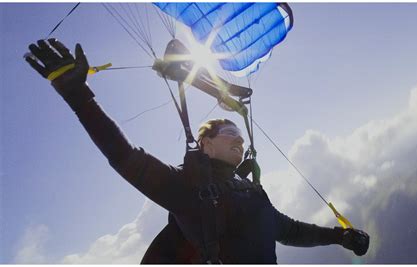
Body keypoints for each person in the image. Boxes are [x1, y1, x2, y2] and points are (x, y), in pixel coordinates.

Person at [25, 39, 370, 264]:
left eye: (240, 134)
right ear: (205, 144)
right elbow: (126, 158)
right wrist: (78, 97)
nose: (240, 139)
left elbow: (291, 231)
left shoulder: (251, 193)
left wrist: (341, 236)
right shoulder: (190, 190)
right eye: (230, 132)